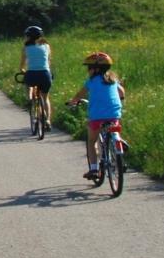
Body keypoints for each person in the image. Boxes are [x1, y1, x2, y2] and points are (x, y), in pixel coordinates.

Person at [66, 51, 126, 182]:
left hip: (97, 117)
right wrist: (121, 100)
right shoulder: (113, 80)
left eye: (89, 68)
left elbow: (79, 95)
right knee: (113, 127)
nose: (88, 71)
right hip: (114, 114)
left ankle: (93, 169)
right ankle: (119, 143)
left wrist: (72, 102)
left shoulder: (91, 82)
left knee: (91, 141)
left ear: (95, 69)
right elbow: (122, 92)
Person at [19, 25, 53, 130]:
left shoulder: (26, 48)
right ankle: (47, 120)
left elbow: (22, 66)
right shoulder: (46, 46)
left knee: (28, 84)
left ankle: (30, 100)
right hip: (45, 74)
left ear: (28, 36)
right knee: (45, 97)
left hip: (32, 74)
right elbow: (48, 62)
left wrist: (23, 71)